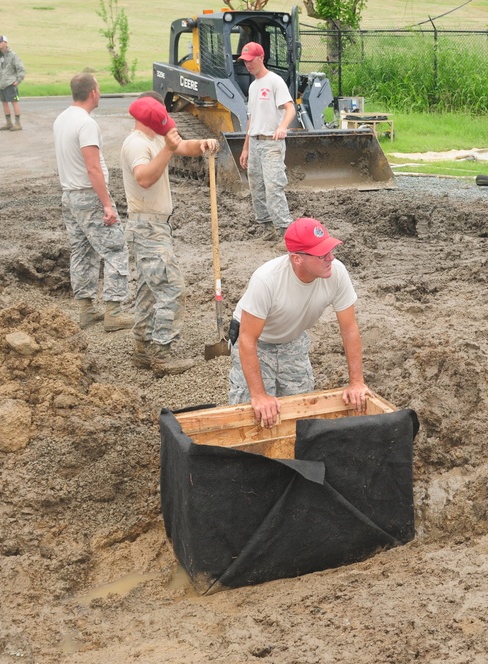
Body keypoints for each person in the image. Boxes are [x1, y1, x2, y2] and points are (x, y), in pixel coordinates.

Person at [228, 217, 370, 427]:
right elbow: (248, 340)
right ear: (297, 259)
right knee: (253, 414)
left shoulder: (336, 273)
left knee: (302, 412)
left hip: (293, 339)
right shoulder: (267, 280)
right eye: (322, 255)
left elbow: (349, 329)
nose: (331, 258)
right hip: (258, 342)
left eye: (331, 250)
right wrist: (259, 396)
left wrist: (357, 382)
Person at [120, 93, 220, 376]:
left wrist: (201, 145)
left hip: (155, 225)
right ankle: (161, 354)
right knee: (171, 289)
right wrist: (167, 149)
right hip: (147, 227)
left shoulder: (153, 139)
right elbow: (144, 177)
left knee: (148, 289)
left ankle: (142, 346)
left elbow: (182, 147)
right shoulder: (136, 144)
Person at [52, 72, 132, 332]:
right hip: (89, 195)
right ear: (93, 92)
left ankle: (86, 310)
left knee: (82, 251)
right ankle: (114, 312)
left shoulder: (61, 119)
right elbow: (93, 168)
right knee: (115, 249)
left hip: (69, 195)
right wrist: (107, 204)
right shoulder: (86, 124)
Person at [237, 42, 297, 248]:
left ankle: (286, 233)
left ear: (261, 57)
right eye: (244, 62)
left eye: (250, 60)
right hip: (254, 142)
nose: (248, 65)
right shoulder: (253, 86)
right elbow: (251, 119)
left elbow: (290, 108)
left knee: (273, 187)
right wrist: (245, 147)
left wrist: (282, 127)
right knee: (256, 187)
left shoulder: (275, 82)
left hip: (271, 143)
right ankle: (268, 229)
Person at [0, 35, 25, 131]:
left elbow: (21, 68)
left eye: (0, 41)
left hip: (10, 83)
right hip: (1, 83)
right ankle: (8, 122)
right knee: (4, 102)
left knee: (14, 102)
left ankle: (18, 123)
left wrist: (18, 80)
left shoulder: (12, 55)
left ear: (6, 43)